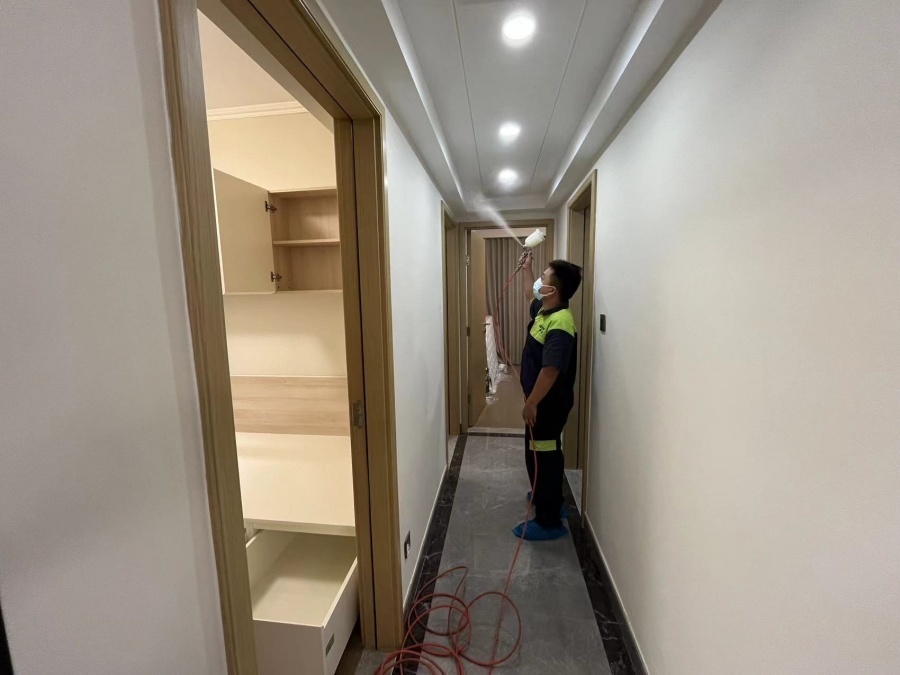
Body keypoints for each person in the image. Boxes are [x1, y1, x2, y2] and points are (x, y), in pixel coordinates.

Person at [513, 252, 582, 541]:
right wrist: (527, 269)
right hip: (542, 402)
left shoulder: (561, 323)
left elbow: (551, 370)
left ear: (552, 290)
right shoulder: (546, 311)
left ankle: (548, 520)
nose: (538, 280)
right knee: (544, 451)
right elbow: (530, 294)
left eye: (543, 277)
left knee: (541, 455)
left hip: (547, 405)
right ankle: (548, 496)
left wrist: (532, 403)